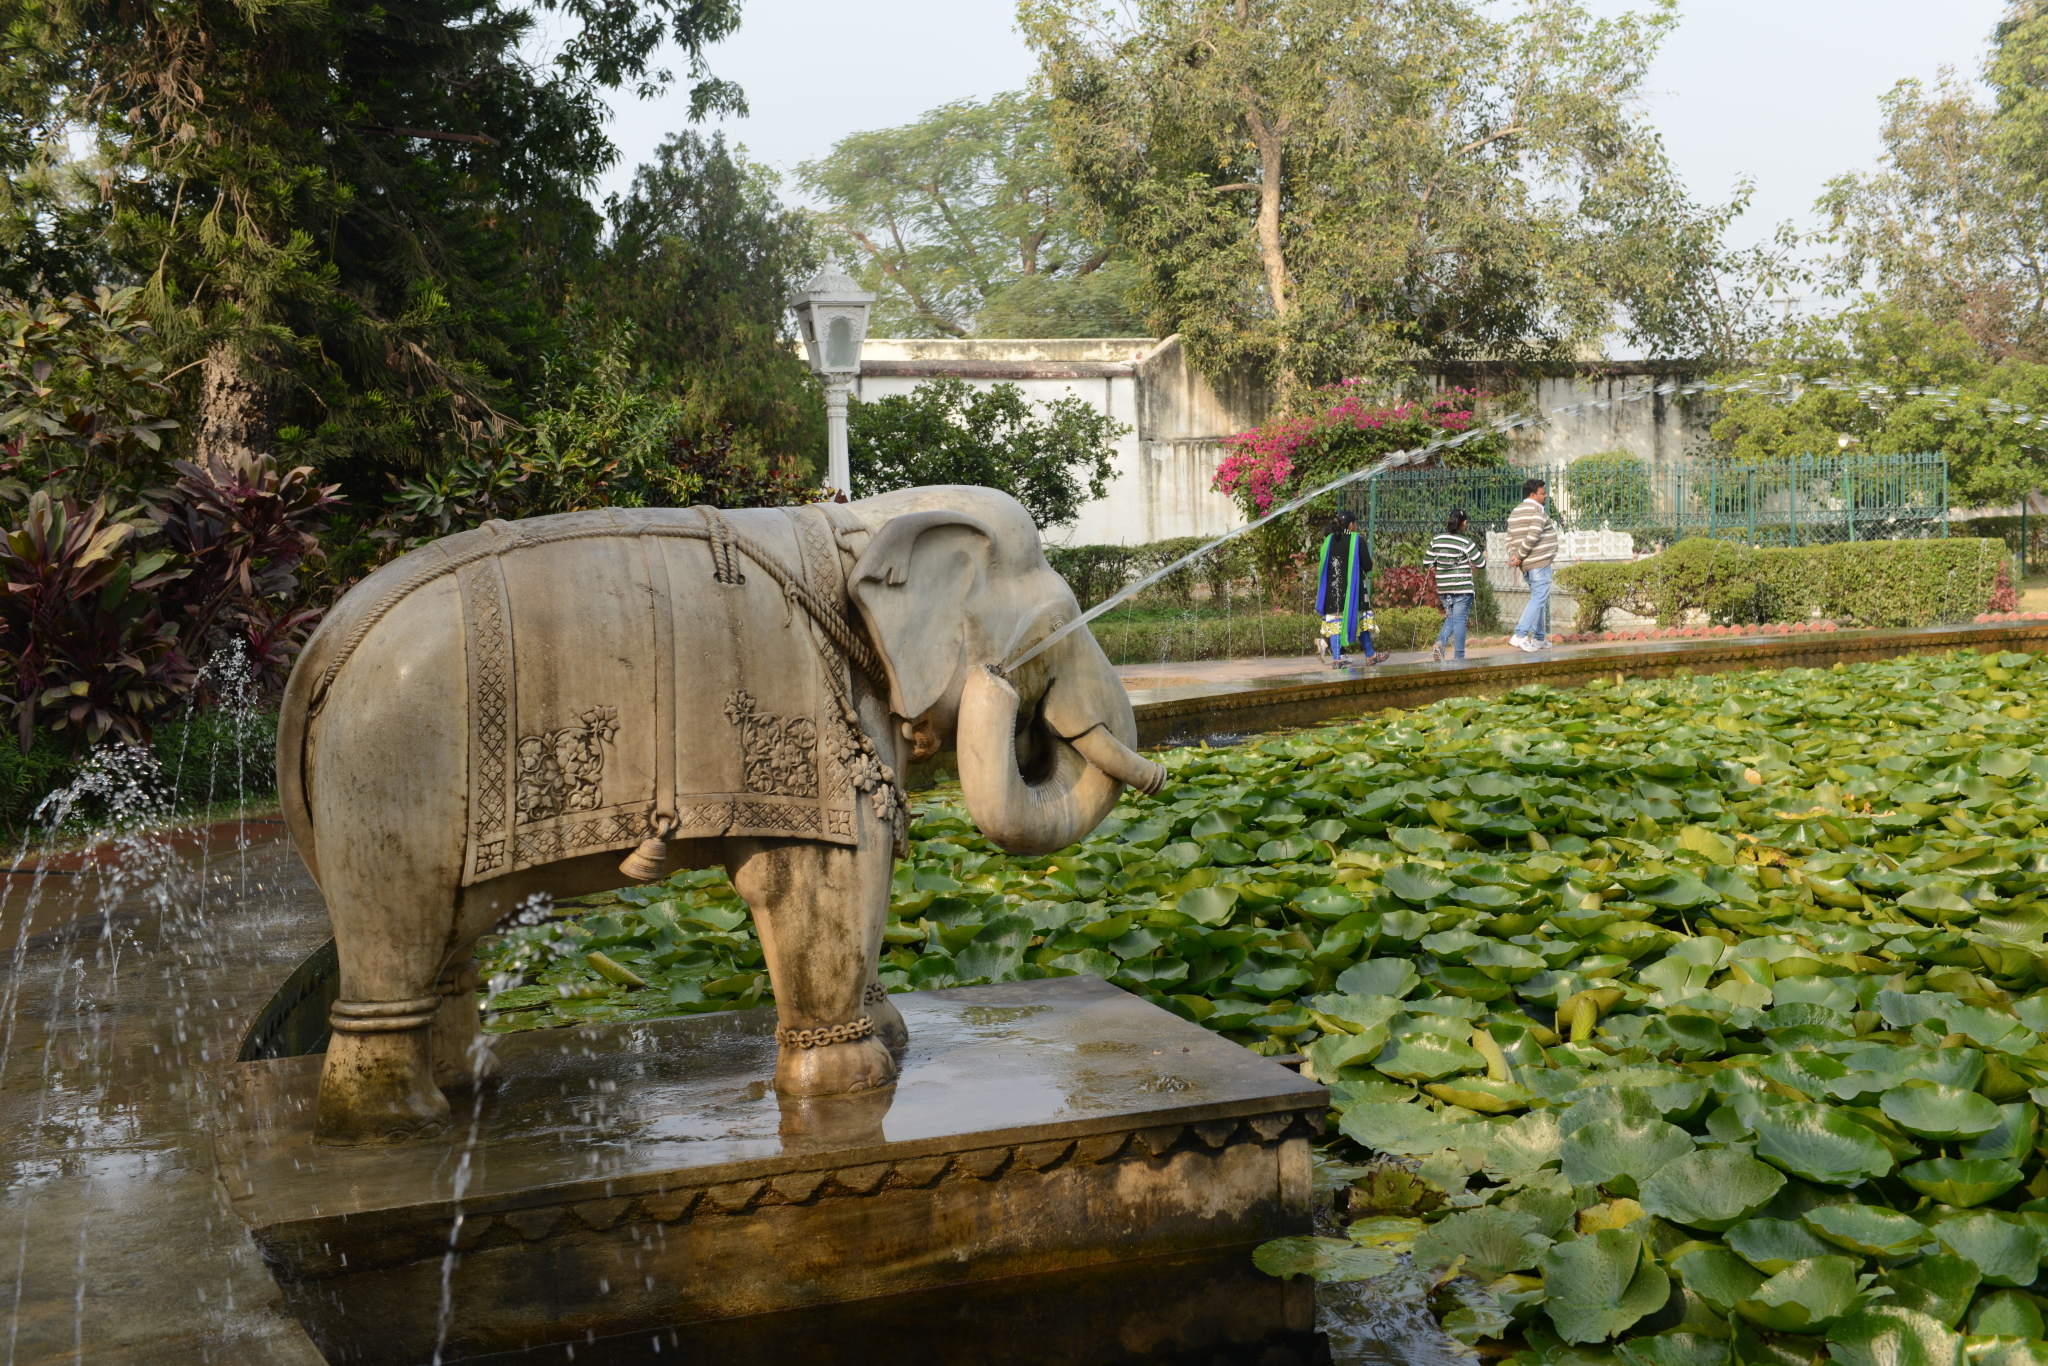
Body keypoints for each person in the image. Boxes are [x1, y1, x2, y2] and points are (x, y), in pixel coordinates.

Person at [1315, 512, 1387, 668]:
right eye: (1355, 523)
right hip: (1353, 589)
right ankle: (1370, 655)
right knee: (1360, 619)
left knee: (1334, 623)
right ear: (1351, 525)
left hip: (1332, 589)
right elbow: (1367, 566)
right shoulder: (1357, 539)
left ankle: (1337, 659)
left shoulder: (1328, 541)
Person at [1503, 477, 1559, 652]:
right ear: (1533, 495)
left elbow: (1509, 538)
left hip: (1527, 563)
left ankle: (1539, 637)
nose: (1546, 496)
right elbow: (1533, 536)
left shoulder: (1516, 512)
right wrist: (1518, 556)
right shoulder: (1537, 511)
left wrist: (1514, 556)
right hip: (1538, 561)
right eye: (1543, 493)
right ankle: (1520, 635)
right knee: (1539, 597)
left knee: (1539, 597)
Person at [1426, 508, 1486, 662]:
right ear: (1464, 523)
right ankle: (1459, 657)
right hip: (1462, 588)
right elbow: (1481, 564)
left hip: (1444, 587)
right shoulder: (1466, 542)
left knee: (1452, 616)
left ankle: (1440, 642)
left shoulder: (1436, 540)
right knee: (1459, 620)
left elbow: (1427, 563)